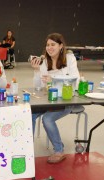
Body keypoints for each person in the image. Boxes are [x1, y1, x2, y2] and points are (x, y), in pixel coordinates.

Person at [31, 33, 80, 164]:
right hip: (48, 100)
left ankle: (59, 150)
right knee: (29, 114)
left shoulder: (70, 59)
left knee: (47, 119)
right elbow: (39, 87)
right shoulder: (44, 62)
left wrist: (53, 79)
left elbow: (75, 80)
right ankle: (27, 148)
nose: (49, 47)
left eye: (53, 44)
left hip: (66, 100)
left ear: (61, 46)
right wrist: (36, 71)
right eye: (47, 45)